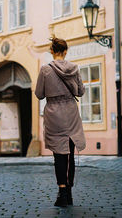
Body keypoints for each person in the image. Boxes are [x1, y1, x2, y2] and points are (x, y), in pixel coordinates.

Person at [35, 37, 86, 207]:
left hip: (54, 114)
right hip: (70, 113)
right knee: (70, 153)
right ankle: (69, 192)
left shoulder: (45, 70)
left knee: (59, 155)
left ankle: (62, 192)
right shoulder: (74, 68)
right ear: (65, 51)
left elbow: (39, 94)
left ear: (52, 51)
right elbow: (80, 91)